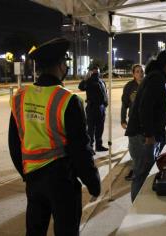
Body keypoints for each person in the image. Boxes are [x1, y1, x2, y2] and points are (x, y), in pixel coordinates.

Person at [8, 37, 101, 236]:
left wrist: (26, 174)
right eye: (65, 64)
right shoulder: (68, 100)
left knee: (35, 230)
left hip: (33, 179)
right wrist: (92, 182)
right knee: (66, 231)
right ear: (60, 66)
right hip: (61, 180)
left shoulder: (20, 96)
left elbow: (14, 143)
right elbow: (79, 149)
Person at [126, 50, 166, 202]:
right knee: (140, 175)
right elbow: (145, 108)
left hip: (148, 135)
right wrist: (149, 135)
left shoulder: (161, 78)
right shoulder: (156, 79)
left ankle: (139, 206)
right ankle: (135, 212)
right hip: (142, 137)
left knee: (143, 173)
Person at [121, 64, 144, 181]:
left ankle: (140, 169)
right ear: (133, 74)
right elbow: (124, 104)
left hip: (146, 121)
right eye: (138, 71)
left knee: (144, 146)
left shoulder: (148, 85)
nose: (140, 74)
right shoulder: (129, 86)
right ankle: (135, 169)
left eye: (142, 71)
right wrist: (123, 119)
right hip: (133, 121)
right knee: (134, 146)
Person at [79, 65, 108, 152]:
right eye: (94, 71)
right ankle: (90, 147)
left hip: (101, 108)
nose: (96, 72)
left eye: (97, 70)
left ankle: (99, 146)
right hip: (92, 108)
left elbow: (105, 93)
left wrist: (106, 103)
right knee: (91, 129)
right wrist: (85, 79)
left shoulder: (102, 81)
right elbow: (81, 87)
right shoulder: (88, 81)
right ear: (91, 72)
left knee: (100, 128)